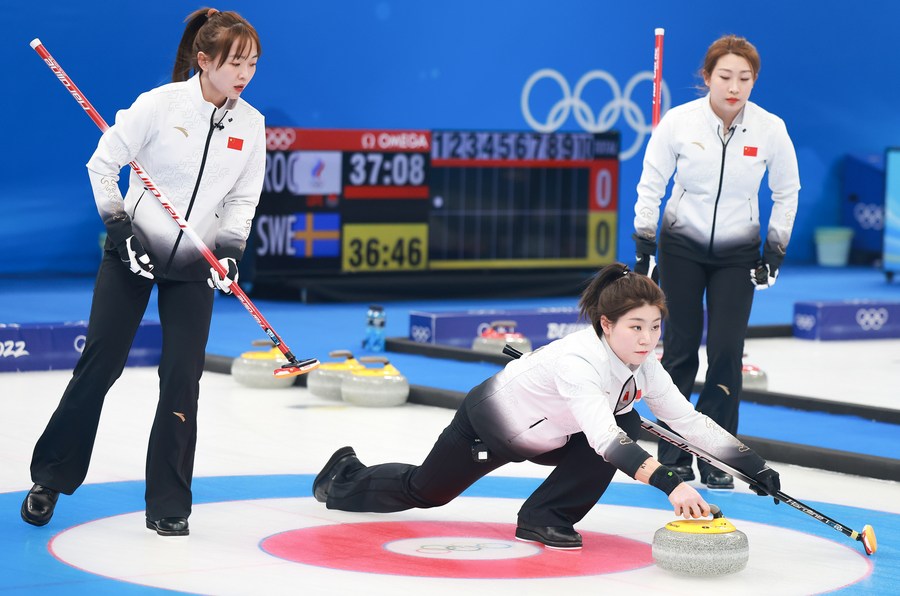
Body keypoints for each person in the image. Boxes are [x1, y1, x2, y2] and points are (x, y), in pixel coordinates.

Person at [312, 263, 781, 550]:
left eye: (655, 327)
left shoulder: (645, 365)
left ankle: (544, 518)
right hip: (490, 428)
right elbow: (606, 441)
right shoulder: (580, 362)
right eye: (635, 327)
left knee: (625, 420)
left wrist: (753, 466)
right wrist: (671, 484)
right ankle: (343, 477)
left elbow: (686, 420)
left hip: (555, 433)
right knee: (426, 491)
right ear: (606, 324)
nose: (647, 338)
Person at [21, 8, 265, 536]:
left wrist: (229, 251)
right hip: (133, 251)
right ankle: (50, 478)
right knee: (101, 364)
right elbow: (102, 166)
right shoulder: (159, 105)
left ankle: (169, 503)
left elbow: (243, 198)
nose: (244, 74)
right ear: (204, 60)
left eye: (252, 63)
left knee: (182, 378)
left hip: (195, 261)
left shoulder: (251, 124)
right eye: (235, 62)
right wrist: (120, 231)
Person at [632, 34, 800, 489]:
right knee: (679, 350)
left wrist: (775, 250)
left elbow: (786, 192)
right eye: (725, 76)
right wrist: (644, 241)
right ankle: (674, 453)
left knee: (726, 352)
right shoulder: (679, 122)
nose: (734, 87)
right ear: (707, 77)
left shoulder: (770, 129)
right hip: (680, 248)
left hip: (737, 254)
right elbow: (652, 182)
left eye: (745, 78)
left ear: (754, 81)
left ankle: (717, 455)